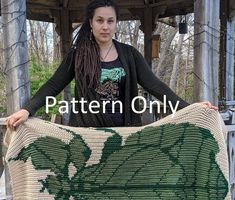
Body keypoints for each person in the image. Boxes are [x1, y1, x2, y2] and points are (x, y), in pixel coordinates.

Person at [6, 0, 217, 129]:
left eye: (110, 21)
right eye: (100, 20)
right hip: (87, 135)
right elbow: (53, 85)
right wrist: (27, 110)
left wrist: (190, 108)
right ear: (91, 22)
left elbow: (156, 87)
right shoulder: (78, 54)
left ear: (116, 23)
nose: (105, 26)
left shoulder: (129, 54)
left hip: (124, 134)